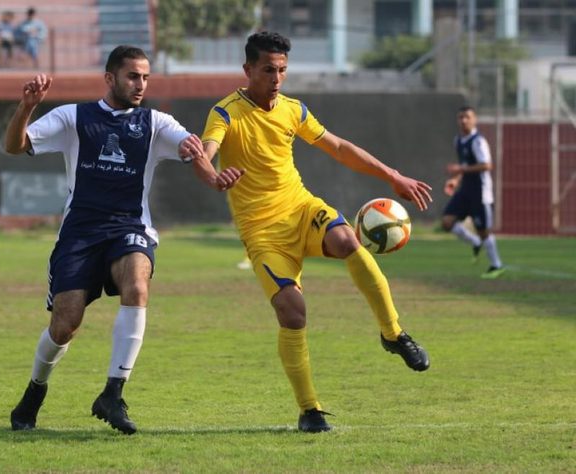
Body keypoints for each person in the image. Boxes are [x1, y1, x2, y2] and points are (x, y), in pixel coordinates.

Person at [193, 31, 432, 433]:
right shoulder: (226, 112)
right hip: (263, 232)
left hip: (301, 208)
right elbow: (204, 154)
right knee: (293, 312)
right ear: (248, 69)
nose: (277, 78)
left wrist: (392, 175)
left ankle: (394, 333)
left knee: (348, 241)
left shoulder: (293, 110)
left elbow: (338, 147)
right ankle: (310, 410)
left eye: (283, 70)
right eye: (268, 69)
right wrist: (215, 177)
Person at [4, 46, 239, 434]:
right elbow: (16, 145)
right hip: (79, 234)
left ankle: (113, 392)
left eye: (146, 77)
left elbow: (191, 151)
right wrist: (26, 107)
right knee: (65, 325)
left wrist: (213, 177)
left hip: (130, 227)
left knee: (137, 284)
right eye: (133, 76)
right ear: (110, 78)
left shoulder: (156, 122)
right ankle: (35, 391)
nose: (141, 84)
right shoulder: (73, 117)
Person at [442, 106, 505, 279]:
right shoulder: (458, 140)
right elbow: (464, 167)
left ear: (474, 119)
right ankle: (475, 242)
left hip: (480, 192)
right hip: (465, 191)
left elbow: (486, 165)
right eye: (460, 117)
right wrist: (455, 180)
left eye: (467, 117)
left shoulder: (478, 141)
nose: (463, 120)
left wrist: (460, 168)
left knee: (483, 230)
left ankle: (496, 265)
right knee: (447, 221)